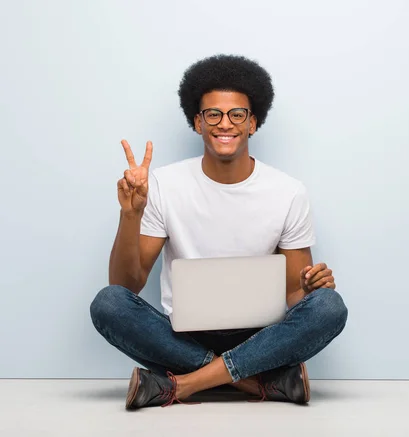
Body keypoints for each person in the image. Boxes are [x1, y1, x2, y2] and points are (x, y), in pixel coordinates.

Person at [89, 54, 348, 410]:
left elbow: (293, 294)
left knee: (329, 307)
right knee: (108, 303)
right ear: (198, 122)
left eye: (237, 114)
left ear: (253, 122)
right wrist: (130, 215)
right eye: (213, 114)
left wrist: (307, 290)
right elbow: (125, 286)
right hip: (183, 334)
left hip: (260, 336)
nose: (224, 123)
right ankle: (255, 383)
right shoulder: (165, 184)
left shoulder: (289, 192)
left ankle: (182, 384)